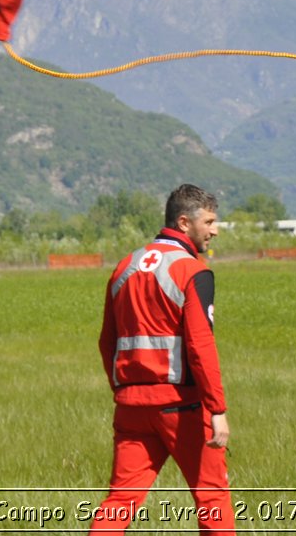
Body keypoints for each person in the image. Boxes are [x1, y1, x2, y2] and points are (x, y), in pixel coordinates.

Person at [89, 184, 234, 535]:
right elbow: (200, 346)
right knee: (212, 499)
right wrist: (217, 409)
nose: (215, 230)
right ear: (184, 222)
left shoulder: (125, 267)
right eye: (210, 222)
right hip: (181, 406)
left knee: (120, 501)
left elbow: (107, 341)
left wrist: (123, 390)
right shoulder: (191, 271)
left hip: (131, 405)